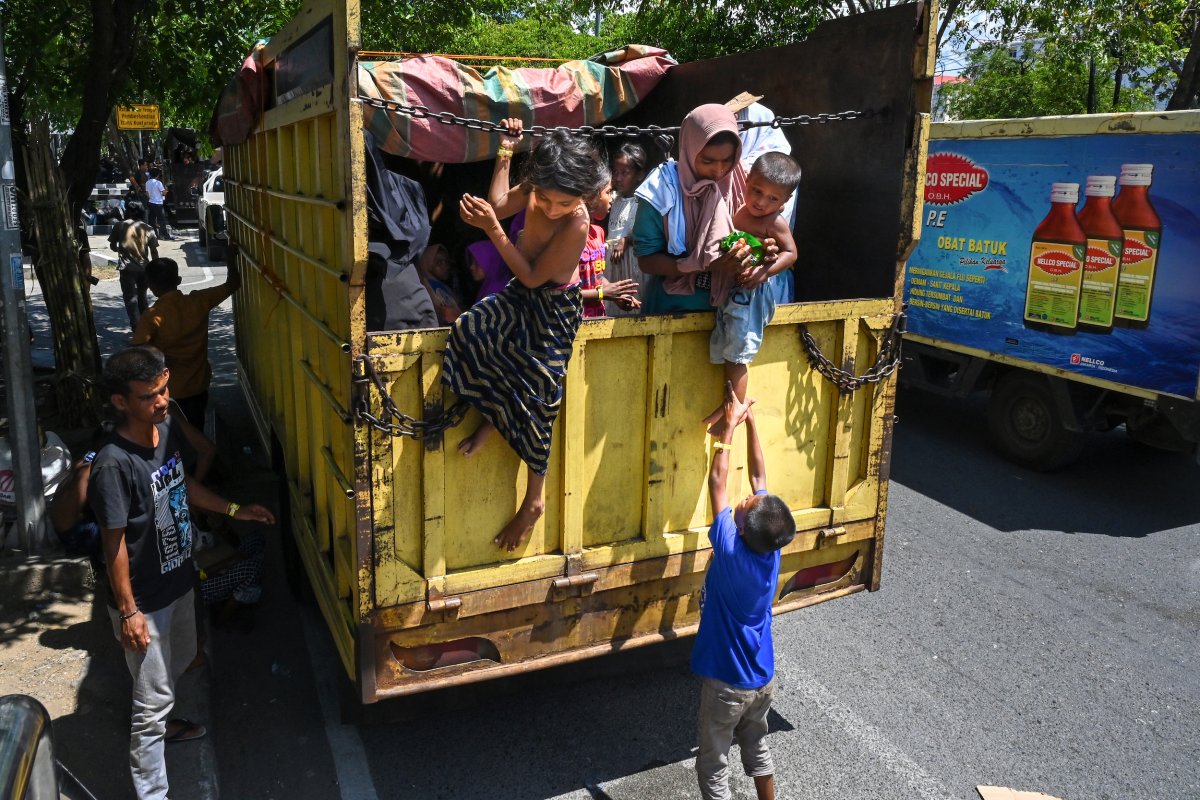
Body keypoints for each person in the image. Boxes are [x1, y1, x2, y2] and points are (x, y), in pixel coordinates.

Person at [89, 346, 274, 800]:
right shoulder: (113, 465)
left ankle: (167, 719)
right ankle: (153, 793)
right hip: (145, 603)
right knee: (149, 708)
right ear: (120, 402)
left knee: (180, 664)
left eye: (165, 389)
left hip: (180, 582)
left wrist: (235, 509)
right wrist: (130, 612)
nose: (162, 400)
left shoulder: (165, 428)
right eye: (150, 395)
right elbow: (112, 543)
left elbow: (183, 483)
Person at [445, 119, 605, 551]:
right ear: (537, 183)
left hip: (553, 305)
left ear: (583, 197)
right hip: (521, 292)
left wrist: (491, 231)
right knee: (470, 331)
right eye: (546, 199)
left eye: (564, 202)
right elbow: (498, 203)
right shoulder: (535, 186)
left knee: (539, 396)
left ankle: (533, 501)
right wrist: (505, 150)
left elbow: (535, 277)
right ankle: (496, 416)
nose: (552, 208)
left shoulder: (576, 221)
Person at [693, 382, 796, 800]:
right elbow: (758, 476)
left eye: (745, 506)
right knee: (756, 745)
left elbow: (719, 482)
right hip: (762, 678)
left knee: (713, 763)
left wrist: (729, 431)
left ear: (739, 528)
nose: (744, 500)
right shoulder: (768, 548)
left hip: (728, 686)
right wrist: (751, 420)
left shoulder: (731, 551)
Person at [631, 104, 763, 315]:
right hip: (673, 311)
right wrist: (705, 265)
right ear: (689, 150)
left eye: (728, 159)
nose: (719, 170)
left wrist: (764, 253)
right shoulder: (662, 190)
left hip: (732, 312)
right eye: (708, 161)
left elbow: (760, 230)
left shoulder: (745, 183)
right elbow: (647, 261)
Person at [704, 152, 801, 437]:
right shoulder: (738, 209)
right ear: (746, 181)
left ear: (783, 203)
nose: (761, 202)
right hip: (735, 293)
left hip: (754, 295)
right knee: (726, 353)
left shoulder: (774, 221)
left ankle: (733, 413)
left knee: (737, 357)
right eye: (757, 191)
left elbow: (791, 253)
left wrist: (763, 273)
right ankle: (727, 406)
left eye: (773, 198)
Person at [132, 251, 240, 427]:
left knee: (172, 435)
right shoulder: (199, 301)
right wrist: (231, 257)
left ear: (150, 285)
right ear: (179, 281)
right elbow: (233, 284)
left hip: (168, 390)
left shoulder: (152, 316)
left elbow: (137, 350)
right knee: (196, 428)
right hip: (198, 385)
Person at [577, 168, 640, 317]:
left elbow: (595, 276)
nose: (612, 198)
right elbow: (566, 293)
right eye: (608, 191)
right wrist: (602, 293)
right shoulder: (573, 238)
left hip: (598, 318)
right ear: (591, 196)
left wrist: (615, 293)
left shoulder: (599, 233)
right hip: (576, 323)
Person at [604, 142, 648, 316]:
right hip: (613, 265)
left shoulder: (643, 200)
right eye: (615, 172)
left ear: (639, 175)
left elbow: (646, 232)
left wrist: (626, 240)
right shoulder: (613, 200)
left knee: (634, 304)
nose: (618, 178)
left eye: (625, 173)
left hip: (632, 264)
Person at [109, 201, 158, 329]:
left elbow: (112, 246)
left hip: (127, 268)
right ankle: (146, 324)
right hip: (145, 268)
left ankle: (136, 325)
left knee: (130, 298)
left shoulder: (119, 226)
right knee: (142, 296)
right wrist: (155, 267)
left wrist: (120, 249)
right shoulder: (148, 228)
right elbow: (154, 251)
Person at [416, 243, 463, 325]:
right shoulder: (426, 288)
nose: (445, 266)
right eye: (439, 262)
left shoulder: (444, 288)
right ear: (427, 263)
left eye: (447, 262)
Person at [145, 168, 171, 241]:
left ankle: (154, 235)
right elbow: (163, 193)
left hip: (151, 202)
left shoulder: (147, 182)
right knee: (161, 220)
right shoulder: (158, 183)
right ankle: (165, 235)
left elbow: (147, 194)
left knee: (152, 219)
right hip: (158, 203)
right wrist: (166, 190)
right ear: (157, 175)